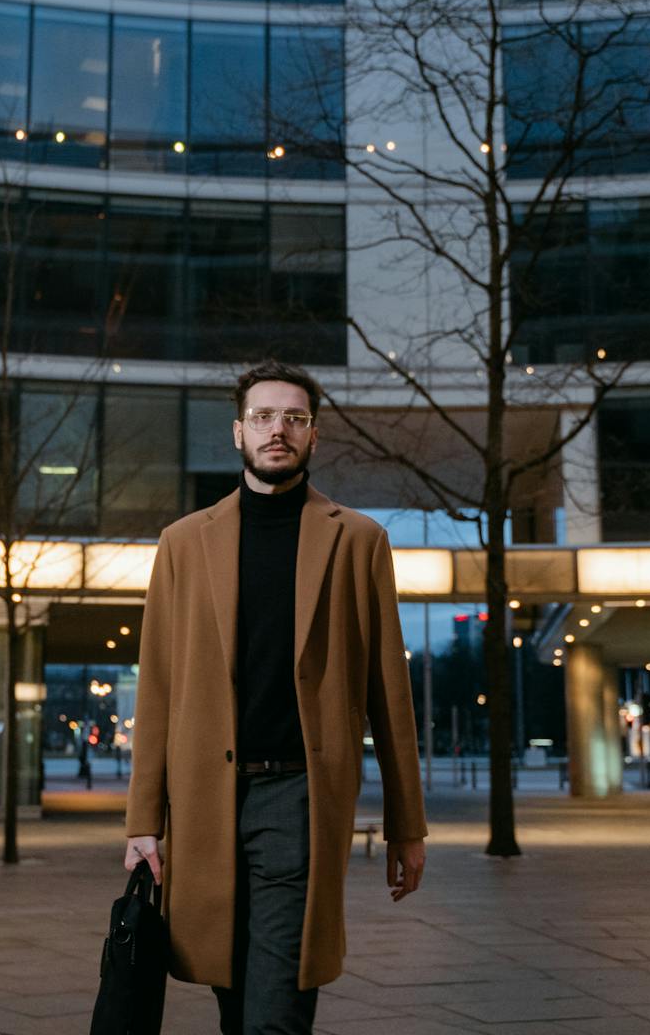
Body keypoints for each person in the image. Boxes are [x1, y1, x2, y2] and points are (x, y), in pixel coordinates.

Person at [124, 360, 427, 1035]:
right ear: (239, 432)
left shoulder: (358, 542)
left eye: (294, 418)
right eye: (263, 416)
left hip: (300, 797)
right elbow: (159, 686)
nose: (278, 430)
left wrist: (409, 824)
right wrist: (143, 820)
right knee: (231, 993)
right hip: (204, 800)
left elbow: (389, 693)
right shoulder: (182, 544)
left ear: (314, 436)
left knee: (276, 1005)